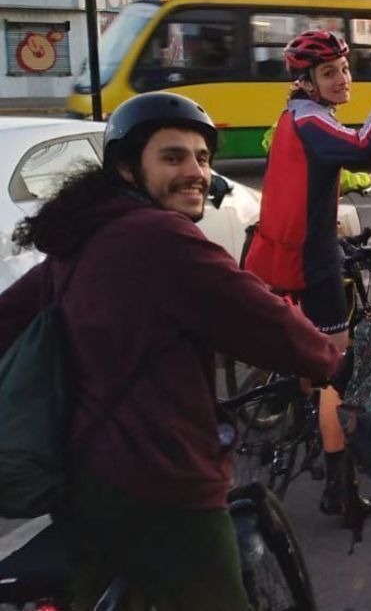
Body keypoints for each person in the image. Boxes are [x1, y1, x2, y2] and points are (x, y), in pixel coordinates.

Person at [0, 92, 343, 610]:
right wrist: (335, 364)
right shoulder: (159, 236)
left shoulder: (85, 237)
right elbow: (263, 319)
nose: (195, 172)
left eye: (203, 158)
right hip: (162, 479)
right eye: (173, 157)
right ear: (127, 169)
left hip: (83, 474)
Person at [244, 29, 371, 517]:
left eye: (344, 69)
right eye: (329, 73)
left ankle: (293, 392)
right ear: (305, 81)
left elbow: (318, 176)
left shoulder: (293, 117)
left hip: (279, 252)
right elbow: (367, 142)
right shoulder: (312, 120)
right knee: (337, 377)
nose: (342, 79)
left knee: (306, 353)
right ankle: (339, 493)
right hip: (310, 264)